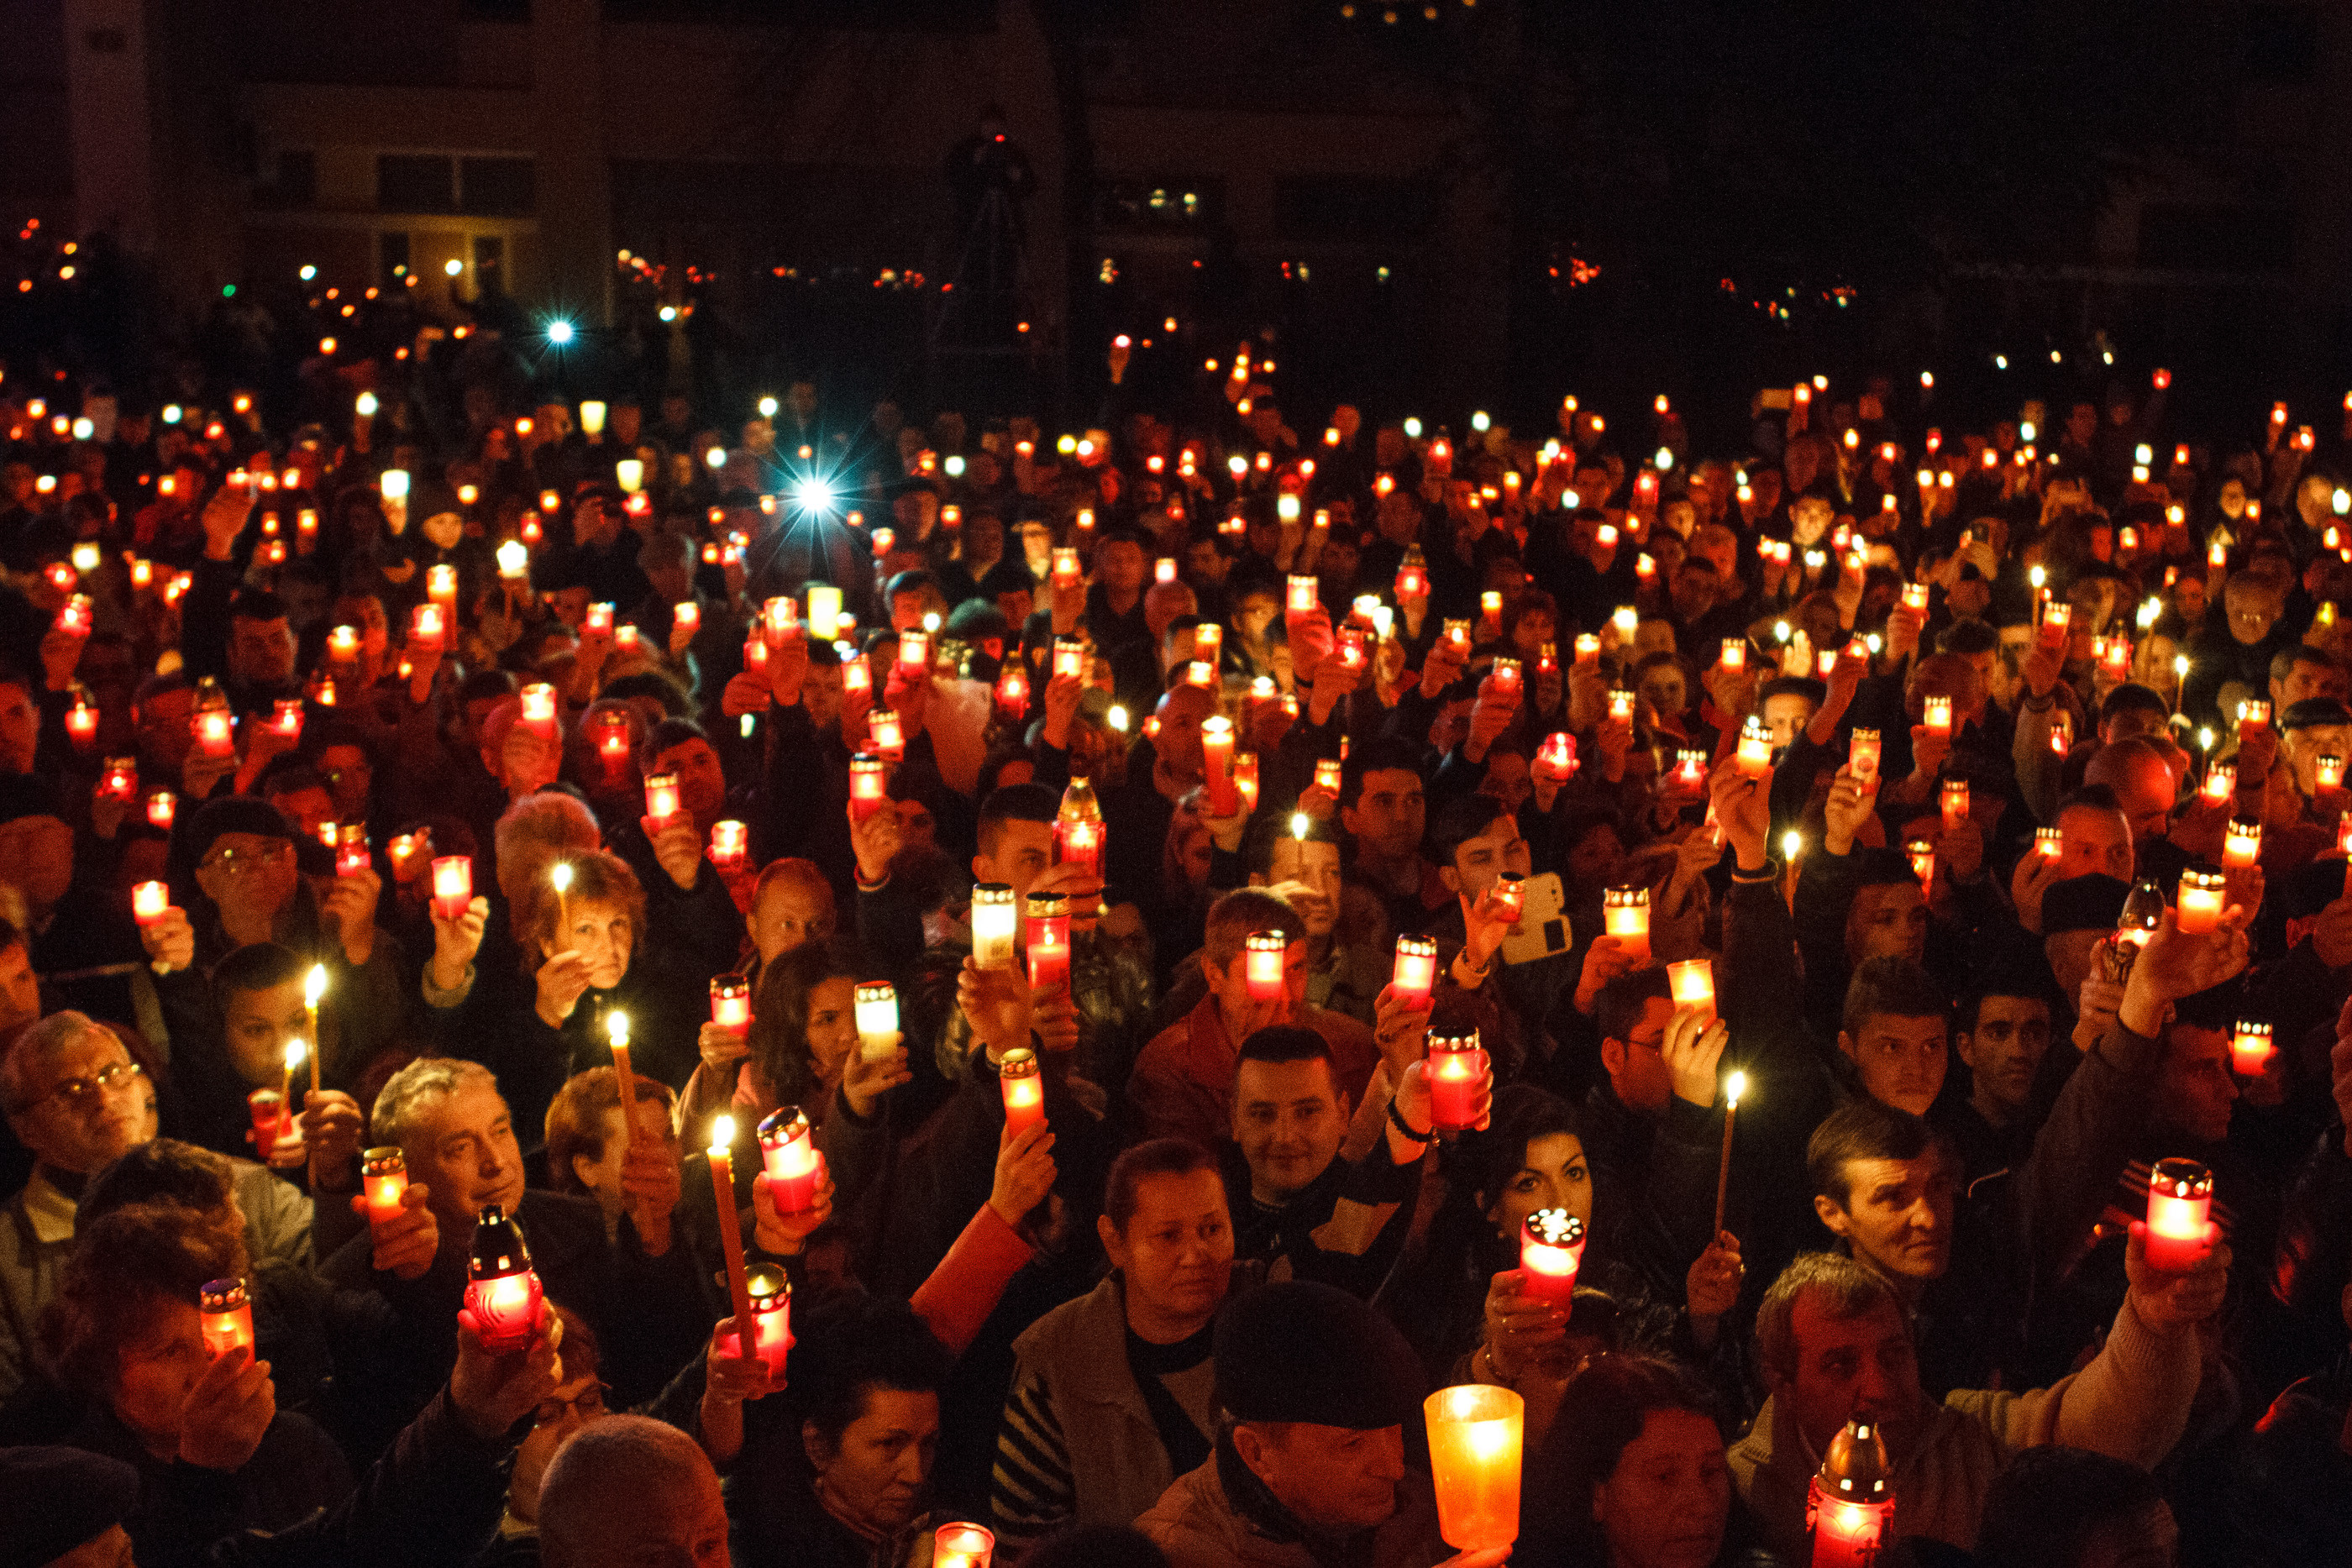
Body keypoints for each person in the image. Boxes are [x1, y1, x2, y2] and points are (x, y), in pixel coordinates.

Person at [1729, 1245, 2225, 1557]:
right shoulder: (1738, 1489)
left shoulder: (1977, 1439)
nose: (1878, 1387)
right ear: (1782, 1380)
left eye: (1894, 1354)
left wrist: (2156, 1323)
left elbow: (2102, 1431)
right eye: (1841, 1366)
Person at [0, 1012, 312, 1405]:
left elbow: (325, 1291)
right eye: (71, 1090)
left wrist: (335, 1177)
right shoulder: (9, 1256)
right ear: (25, 1128)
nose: (103, 1098)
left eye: (113, 1073)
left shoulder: (242, 1187)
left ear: (142, 1084)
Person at [1137, 1279, 1496, 1568]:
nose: (1394, 1468)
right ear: (1257, 1454)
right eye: (1352, 1444)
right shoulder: (1177, 1554)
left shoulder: (1420, 1505)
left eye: (1392, 1429)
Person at [990, 1140, 1233, 1554]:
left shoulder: (1268, 1323)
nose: (1196, 1255)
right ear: (1114, 1242)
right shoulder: (1057, 1358)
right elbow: (1028, 1546)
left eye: (1212, 1230)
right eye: (1168, 1236)